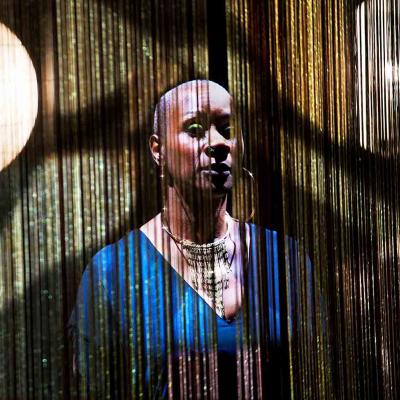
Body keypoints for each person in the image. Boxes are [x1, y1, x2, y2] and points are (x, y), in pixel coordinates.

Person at [68, 80, 283, 399]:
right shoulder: (112, 272)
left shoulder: (281, 258)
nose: (218, 143)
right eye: (195, 129)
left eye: (227, 129)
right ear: (158, 150)